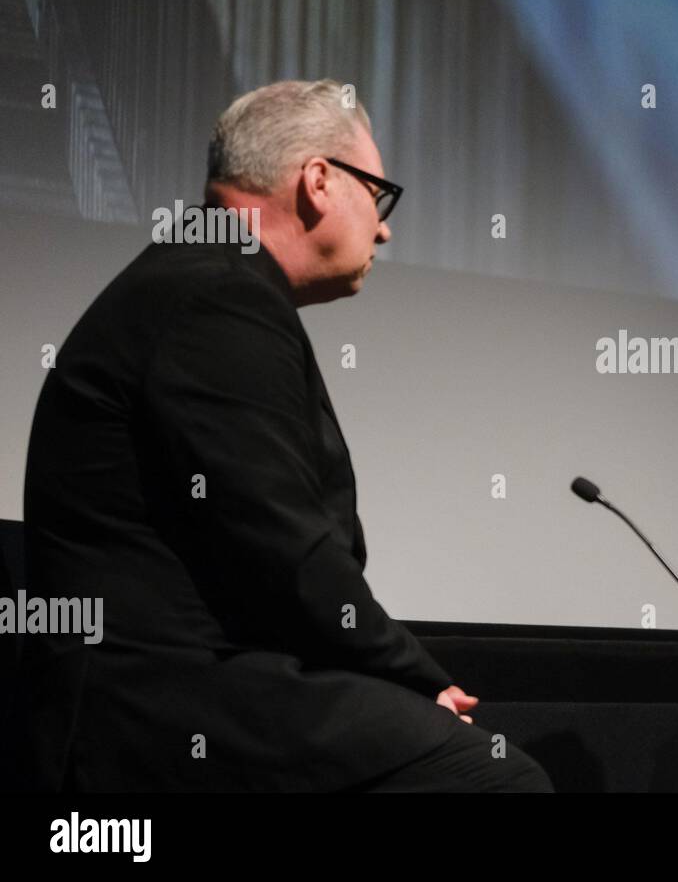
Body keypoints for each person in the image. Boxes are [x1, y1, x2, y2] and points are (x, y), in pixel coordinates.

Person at [10, 79, 551, 792]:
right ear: (319, 181)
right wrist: (417, 680)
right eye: (379, 196)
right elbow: (280, 539)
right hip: (158, 702)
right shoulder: (216, 292)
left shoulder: (201, 277)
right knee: (494, 778)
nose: (384, 229)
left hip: (194, 681)